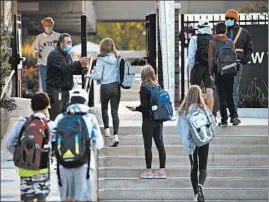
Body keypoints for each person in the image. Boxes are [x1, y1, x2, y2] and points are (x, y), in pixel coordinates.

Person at [52, 89, 104, 201]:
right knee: (84, 197)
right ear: (85, 101)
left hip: (63, 163)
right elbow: (99, 144)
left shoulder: (61, 118)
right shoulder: (90, 118)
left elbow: (52, 138)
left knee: (67, 198)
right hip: (84, 163)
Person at [5, 92, 54, 202]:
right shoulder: (49, 124)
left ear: (31, 107)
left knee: (28, 199)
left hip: (25, 167)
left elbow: (9, 143)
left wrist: (23, 154)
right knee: (42, 198)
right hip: (42, 167)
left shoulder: (22, 122)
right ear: (47, 107)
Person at [126, 65, 166, 179]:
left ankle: (148, 171)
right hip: (158, 120)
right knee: (160, 145)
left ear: (143, 75)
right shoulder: (158, 86)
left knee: (148, 146)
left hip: (148, 121)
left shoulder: (144, 87)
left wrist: (135, 108)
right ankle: (162, 170)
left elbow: (144, 106)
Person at [177, 85, 216, 202]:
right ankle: (201, 185)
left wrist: (188, 145)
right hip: (203, 140)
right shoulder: (203, 108)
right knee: (203, 167)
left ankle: (195, 194)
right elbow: (212, 123)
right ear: (199, 95)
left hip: (191, 143)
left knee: (194, 168)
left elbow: (182, 131)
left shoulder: (182, 111)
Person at [85, 38, 121, 147]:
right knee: (115, 112)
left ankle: (106, 131)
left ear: (101, 47)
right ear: (112, 47)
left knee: (104, 109)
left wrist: (89, 75)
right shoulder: (117, 58)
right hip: (115, 87)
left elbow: (98, 75)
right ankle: (115, 136)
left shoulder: (100, 60)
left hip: (105, 87)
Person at [46, 33, 88, 121]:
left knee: (65, 116)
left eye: (71, 42)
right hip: (56, 90)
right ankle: (54, 133)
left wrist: (81, 68)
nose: (70, 44)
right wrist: (79, 63)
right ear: (61, 44)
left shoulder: (67, 55)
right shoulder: (55, 55)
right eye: (68, 42)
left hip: (65, 90)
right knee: (57, 116)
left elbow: (71, 69)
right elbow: (65, 68)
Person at [208, 22, 241, 126]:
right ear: (225, 31)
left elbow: (211, 60)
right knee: (230, 94)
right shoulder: (230, 42)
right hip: (230, 72)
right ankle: (234, 117)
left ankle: (224, 119)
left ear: (216, 31)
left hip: (219, 72)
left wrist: (211, 73)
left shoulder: (213, 43)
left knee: (221, 95)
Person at [225, 9, 254, 108]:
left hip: (237, 63)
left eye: (230, 18)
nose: (228, 20)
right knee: (222, 88)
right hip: (222, 63)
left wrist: (245, 59)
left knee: (235, 88)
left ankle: (234, 112)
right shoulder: (221, 31)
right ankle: (223, 111)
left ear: (235, 20)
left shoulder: (244, 33)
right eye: (227, 18)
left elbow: (249, 48)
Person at [187, 18, 214, 112]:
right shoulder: (213, 38)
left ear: (198, 27)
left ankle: (193, 112)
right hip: (210, 67)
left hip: (198, 66)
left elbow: (191, 56)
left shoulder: (195, 38)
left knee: (194, 90)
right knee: (209, 91)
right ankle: (210, 114)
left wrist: (192, 68)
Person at [33, 17, 60, 93]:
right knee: (45, 85)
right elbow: (34, 48)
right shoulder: (39, 37)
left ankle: (55, 100)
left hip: (55, 65)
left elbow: (64, 48)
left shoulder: (58, 36)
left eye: (49, 25)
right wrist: (35, 53)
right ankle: (48, 101)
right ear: (43, 26)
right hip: (43, 64)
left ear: (52, 25)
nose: (47, 27)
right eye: (45, 25)